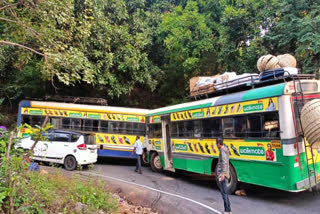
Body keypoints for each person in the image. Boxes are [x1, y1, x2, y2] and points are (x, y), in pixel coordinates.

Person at [216, 138, 232, 214]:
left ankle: (227, 210)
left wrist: (222, 174)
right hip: (225, 174)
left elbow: (224, 163)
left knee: (224, 193)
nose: (216, 145)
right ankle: (229, 210)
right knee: (225, 192)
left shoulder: (222, 150)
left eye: (217, 143)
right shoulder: (225, 149)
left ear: (219, 143)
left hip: (223, 175)